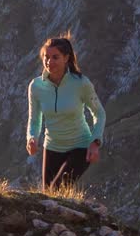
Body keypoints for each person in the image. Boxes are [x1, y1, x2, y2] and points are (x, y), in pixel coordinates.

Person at [25, 35, 106, 191]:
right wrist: (32, 138)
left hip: (80, 147)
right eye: (46, 57)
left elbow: (99, 113)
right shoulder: (36, 86)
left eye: (55, 57)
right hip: (52, 148)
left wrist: (95, 142)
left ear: (66, 58)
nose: (49, 62)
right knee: (49, 198)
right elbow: (34, 119)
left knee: (57, 189)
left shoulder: (81, 83)